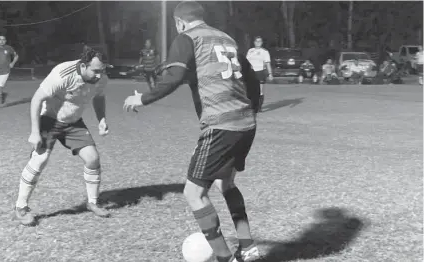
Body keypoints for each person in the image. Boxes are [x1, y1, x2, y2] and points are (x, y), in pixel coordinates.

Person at [123, 2, 260, 262]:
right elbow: (251, 79)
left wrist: (143, 98)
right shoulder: (225, 38)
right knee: (225, 183)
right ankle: (248, 246)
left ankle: (224, 258)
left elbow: (174, 76)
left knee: (193, 193)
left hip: (220, 125)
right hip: (246, 123)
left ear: (179, 23)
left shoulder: (187, 38)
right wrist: (251, 108)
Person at [14, 46, 111, 226]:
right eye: (95, 71)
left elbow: (98, 97)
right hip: (49, 119)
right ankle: (21, 207)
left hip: (73, 122)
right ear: (83, 65)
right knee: (40, 159)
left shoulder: (101, 78)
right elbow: (37, 99)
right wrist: (35, 132)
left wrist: (102, 119)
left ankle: (92, 202)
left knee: (92, 159)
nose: (99, 75)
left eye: (102, 70)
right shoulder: (62, 74)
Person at [246, 36, 272, 112]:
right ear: (254, 42)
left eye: (260, 41)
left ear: (262, 43)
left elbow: (268, 63)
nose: (258, 43)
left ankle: (258, 107)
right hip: (251, 72)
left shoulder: (264, 52)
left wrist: (270, 74)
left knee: (260, 91)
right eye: (256, 41)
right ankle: (251, 105)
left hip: (260, 72)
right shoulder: (250, 50)